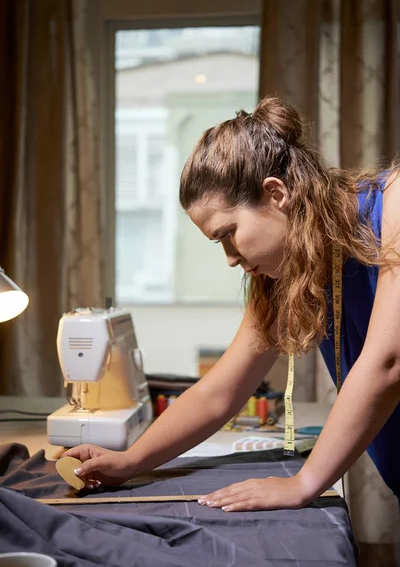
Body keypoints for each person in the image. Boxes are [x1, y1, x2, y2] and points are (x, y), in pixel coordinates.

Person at [65, 96, 400, 512]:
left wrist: (304, 483)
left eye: (228, 234)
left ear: (276, 193)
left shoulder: (395, 204)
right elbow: (220, 393)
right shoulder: (288, 271)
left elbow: (388, 362)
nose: (229, 258)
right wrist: (132, 460)